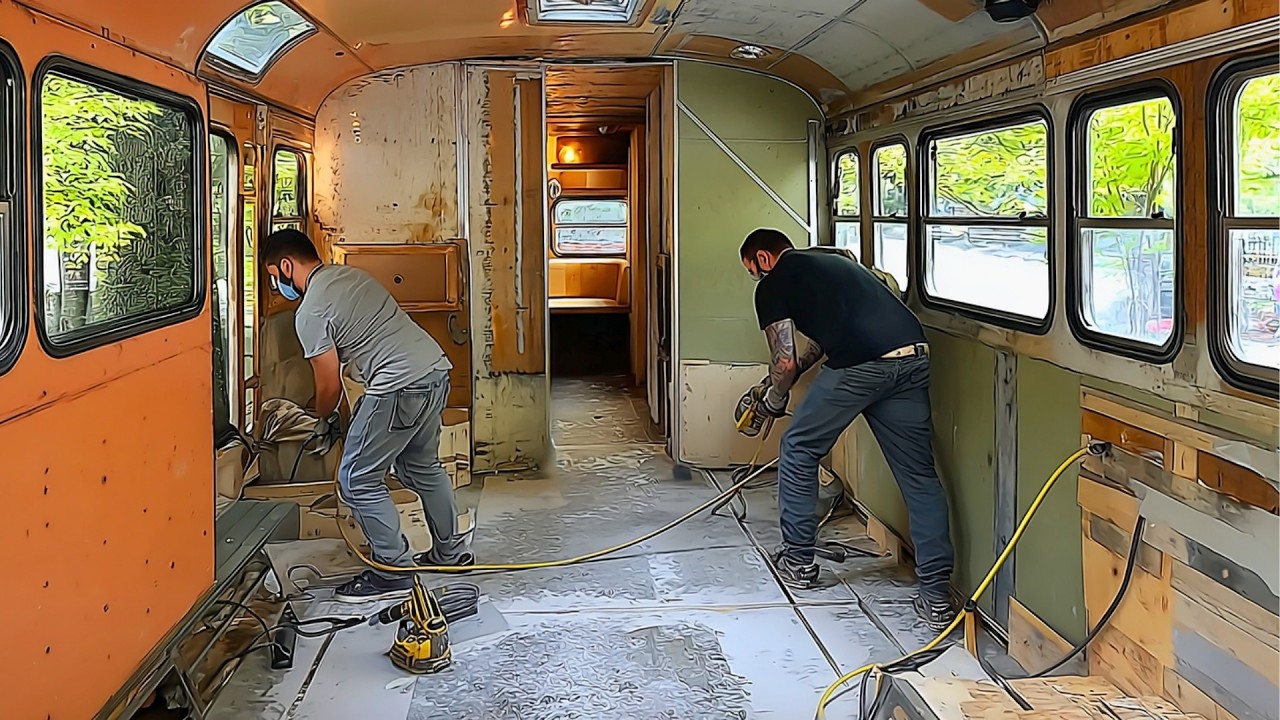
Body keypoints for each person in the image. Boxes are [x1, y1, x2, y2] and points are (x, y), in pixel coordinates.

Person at [740, 227, 956, 630]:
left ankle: (799, 562)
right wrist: (797, 373)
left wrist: (774, 399)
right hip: (913, 357)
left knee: (799, 448)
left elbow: (782, 363)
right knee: (920, 478)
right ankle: (936, 597)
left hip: (862, 365)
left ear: (763, 259)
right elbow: (817, 346)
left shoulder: (773, 285)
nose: (756, 278)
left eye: (753, 270)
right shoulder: (833, 263)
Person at [261, 229, 472, 602]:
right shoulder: (348, 276)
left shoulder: (310, 310)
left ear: (287, 265)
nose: (277, 286)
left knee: (356, 479)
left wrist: (322, 420)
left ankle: (393, 572)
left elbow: (327, 384)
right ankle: (450, 555)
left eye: (274, 276)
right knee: (421, 468)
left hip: (398, 385)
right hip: (435, 372)